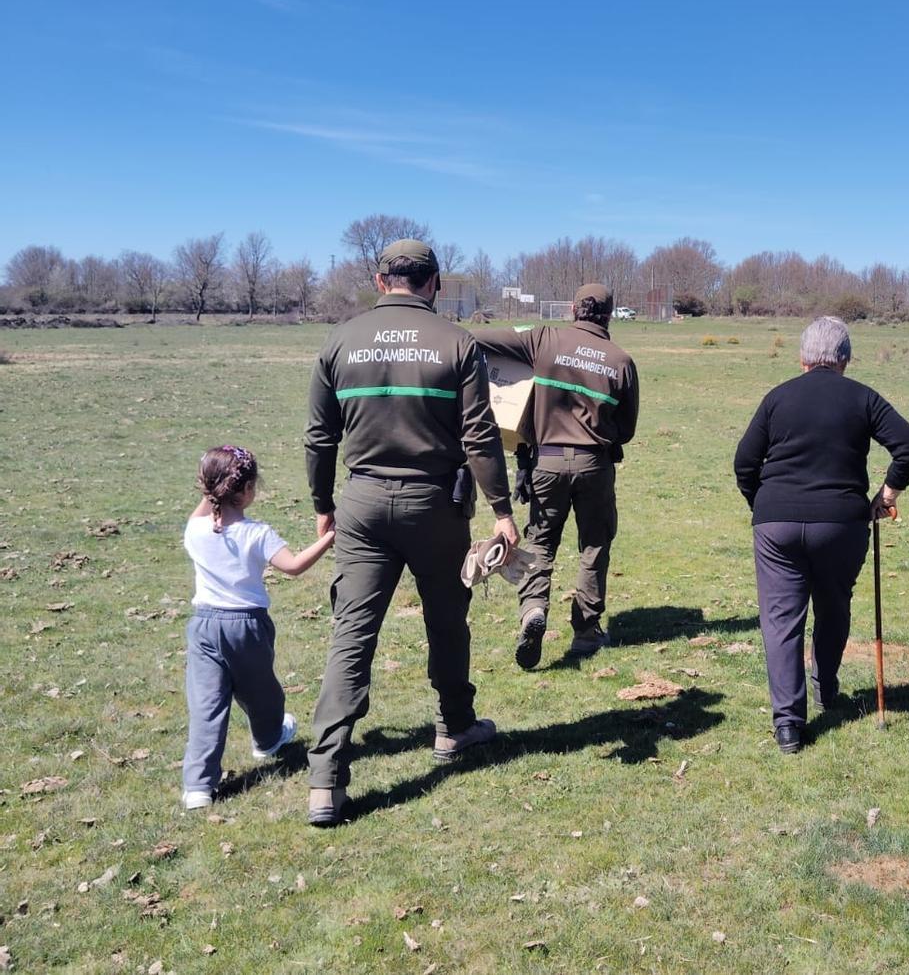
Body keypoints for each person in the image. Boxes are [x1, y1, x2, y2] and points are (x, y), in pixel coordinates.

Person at [304, 240, 519, 826]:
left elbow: (319, 439)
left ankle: (326, 780)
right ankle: (454, 725)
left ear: (381, 280)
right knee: (447, 621)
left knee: (352, 635)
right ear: (435, 283)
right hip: (436, 506)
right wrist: (502, 509)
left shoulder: (340, 341)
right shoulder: (457, 342)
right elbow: (480, 435)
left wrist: (323, 503)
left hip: (361, 501)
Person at [733, 317, 909, 753]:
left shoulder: (777, 398)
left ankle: (787, 726)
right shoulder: (863, 397)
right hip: (842, 523)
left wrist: (763, 507)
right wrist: (887, 492)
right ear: (845, 358)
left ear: (802, 358)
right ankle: (826, 686)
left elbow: (745, 463)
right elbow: (908, 444)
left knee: (781, 621)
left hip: (776, 524)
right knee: (833, 605)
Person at [475, 283, 639, 668]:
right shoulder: (620, 361)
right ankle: (585, 631)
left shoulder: (543, 339)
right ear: (609, 314)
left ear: (572, 309)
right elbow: (627, 430)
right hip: (594, 465)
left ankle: (533, 609)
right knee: (594, 545)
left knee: (542, 542)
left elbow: (481, 340)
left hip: (545, 462)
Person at [182, 445, 335, 809]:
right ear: (247, 490)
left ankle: (198, 788)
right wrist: (330, 538)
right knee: (262, 693)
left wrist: (212, 486)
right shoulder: (257, 533)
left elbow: (204, 508)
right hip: (247, 627)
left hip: (204, 626)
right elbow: (294, 565)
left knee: (206, 706)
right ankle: (267, 740)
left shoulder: (195, 530)